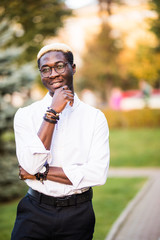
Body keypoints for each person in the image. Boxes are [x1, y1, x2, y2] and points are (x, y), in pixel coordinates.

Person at [11, 43, 110, 240]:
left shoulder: (95, 117)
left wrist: (42, 172)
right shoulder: (25, 115)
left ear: (73, 68)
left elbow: (98, 174)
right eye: (45, 69)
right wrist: (52, 112)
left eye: (59, 66)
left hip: (78, 214)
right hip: (34, 213)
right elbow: (30, 164)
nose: (53, 73)